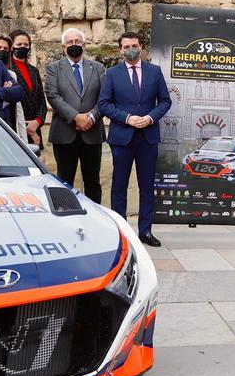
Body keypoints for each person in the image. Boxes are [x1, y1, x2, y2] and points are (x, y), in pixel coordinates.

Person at [98, 31, 172, 247]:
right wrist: (128, 118)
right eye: (126, 46)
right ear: (120, 49)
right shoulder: (112, 74)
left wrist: (149, 118)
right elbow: (104, 104)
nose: (131, 49)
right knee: (119, 186)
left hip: (148, 137)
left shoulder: (155, 72)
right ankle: (121, 232)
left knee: (147, 186)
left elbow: (165, 101)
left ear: (141, 47)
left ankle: (146, 231)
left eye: (134, 45)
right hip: (122, 137)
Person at [45, 28, 106, 203]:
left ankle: (95, 220)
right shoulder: (53, 68)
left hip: (92, 133)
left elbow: (105, 97)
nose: (74, 45)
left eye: (78, 42)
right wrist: (76, 117)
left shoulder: (98, 68)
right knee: (64, 181)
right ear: (63, 46)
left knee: (93, 181)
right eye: (70, 42)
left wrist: (91, 117)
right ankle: (66, 216)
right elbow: (53, 96)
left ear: (84, 45)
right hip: (64, 133)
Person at [8, 30, 47, 145]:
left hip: (35, 127)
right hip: (15, 127)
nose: (23, 47)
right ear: (11, 47)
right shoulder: (7, 70)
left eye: (26, 45)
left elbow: (41, 101)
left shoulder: (34, 71)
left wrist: (37, 121)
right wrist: (28, 129)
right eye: (19, 45)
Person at [0, 34, 27, 135]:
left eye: (6, 49)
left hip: (10, 126)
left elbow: (18, 110)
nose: (2, 51)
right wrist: (5, 93)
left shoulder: (11, 75)